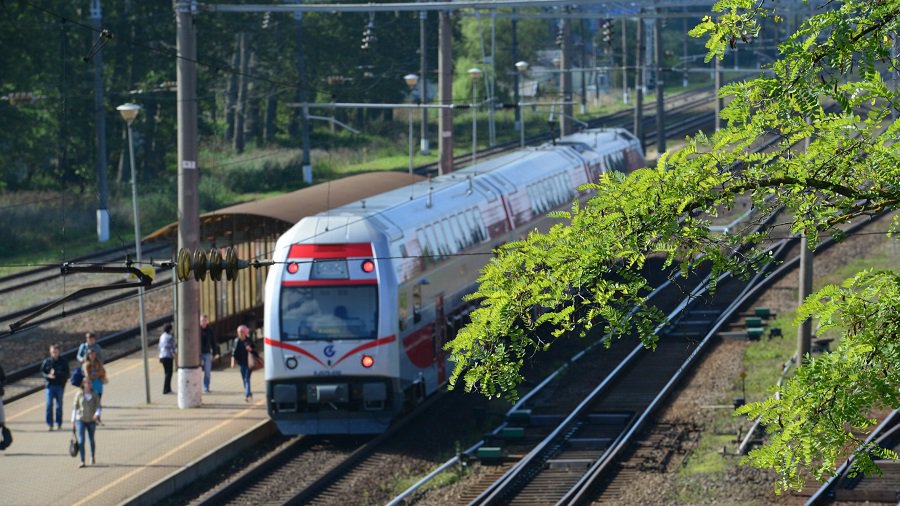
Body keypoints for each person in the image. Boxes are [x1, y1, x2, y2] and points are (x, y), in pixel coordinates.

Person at [71, 379, 101, 468]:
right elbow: (75, 408)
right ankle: (82, 460)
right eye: (87, 383)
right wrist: (72, 421)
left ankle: (92, 457)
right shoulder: (79, 394)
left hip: (91, 420)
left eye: (90, 383)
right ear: (83, 384)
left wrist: (97, 414)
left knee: (91, 439)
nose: (89, 384)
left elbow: (98, 406)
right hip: (81, 419)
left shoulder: (95, 394)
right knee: (81, 440)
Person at [40, 344, 70, 430]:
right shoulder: (47, 362)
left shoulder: (63, 362)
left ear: (59, 352)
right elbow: (42, 371)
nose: (54, 354)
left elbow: (67, 374)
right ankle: (50, 424)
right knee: (49, 405)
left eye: (56, 352)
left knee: (59, 406)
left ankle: (58, 423)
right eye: (53, 352)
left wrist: (56, 374)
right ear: (50, 352)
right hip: (50, 386)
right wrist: (48, 376)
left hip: (59, 386)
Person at [230, 325, 258, 402]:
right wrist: (233, 361)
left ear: (245, 332)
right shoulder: (236, 341)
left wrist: (251, 349)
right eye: (239, 332)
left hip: (249, 363)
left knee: (246, 378)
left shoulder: (249, 340)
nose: (240, 334)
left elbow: (256, 351)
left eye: (242, 332)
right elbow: (233, 352)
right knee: (244, 379)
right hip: (241, 363)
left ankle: (247, 395)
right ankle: (249, 393)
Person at [199, 315, 217, 393]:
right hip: (198, 353)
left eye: (205, 320)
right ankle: (197, 386)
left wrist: (215, 353)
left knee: (207, 371)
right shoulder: (197, 329)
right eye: (202, 320)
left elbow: (213, 341)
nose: (204, 322)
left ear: (207, 321)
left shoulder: (210, 330)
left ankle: (206, 386)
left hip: (207, 353)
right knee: (196, 371)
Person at [159, 323, 176, 395]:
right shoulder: (170, 337)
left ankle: (168, 389)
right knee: (169, 373)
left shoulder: (162, 336)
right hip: (168, 356)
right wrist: (175, 356)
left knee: (166, 372)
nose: (172, 330)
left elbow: (159, 346)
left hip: (162, 356)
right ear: (170, 329)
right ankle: (166, 389)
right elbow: (172, 348)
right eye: (172, 329)